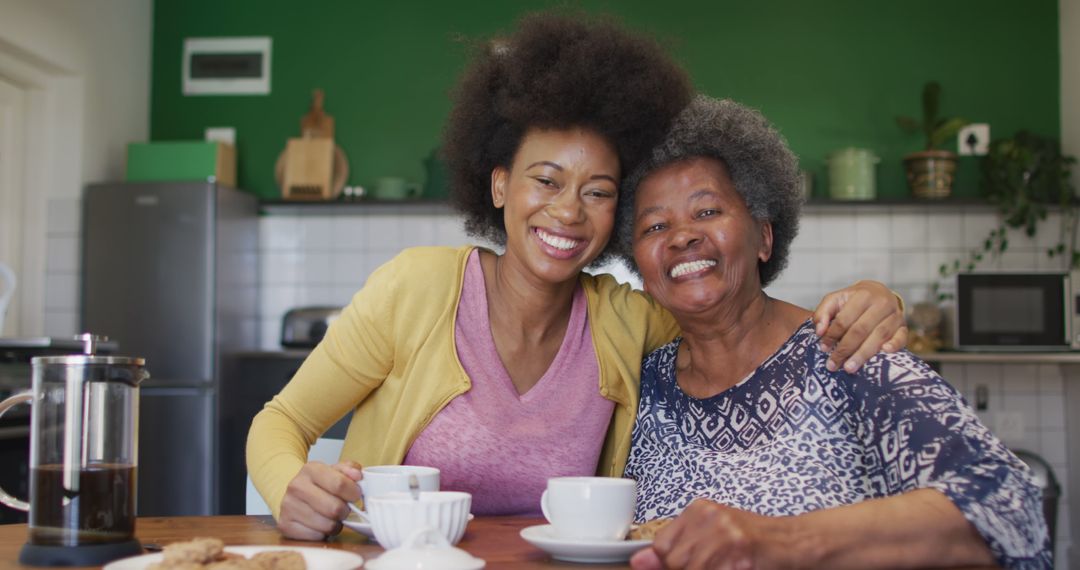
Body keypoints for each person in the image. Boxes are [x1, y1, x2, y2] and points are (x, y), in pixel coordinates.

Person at [246, 13, 907, 541]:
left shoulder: (625, 318)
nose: (568, 210)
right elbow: (280, 422)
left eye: (598, 191)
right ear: (500, 184)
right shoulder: (414, 290)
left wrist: (866, 304)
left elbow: (739, 315)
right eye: (546, 180)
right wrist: (291, 492)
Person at [615, 95, 1050, 569]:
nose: (681, 236)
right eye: (654, 225)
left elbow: (1009, 505)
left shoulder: (848, 352)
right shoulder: (640, 386)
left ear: (764, 236)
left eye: (706, 212)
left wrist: (786, 542)